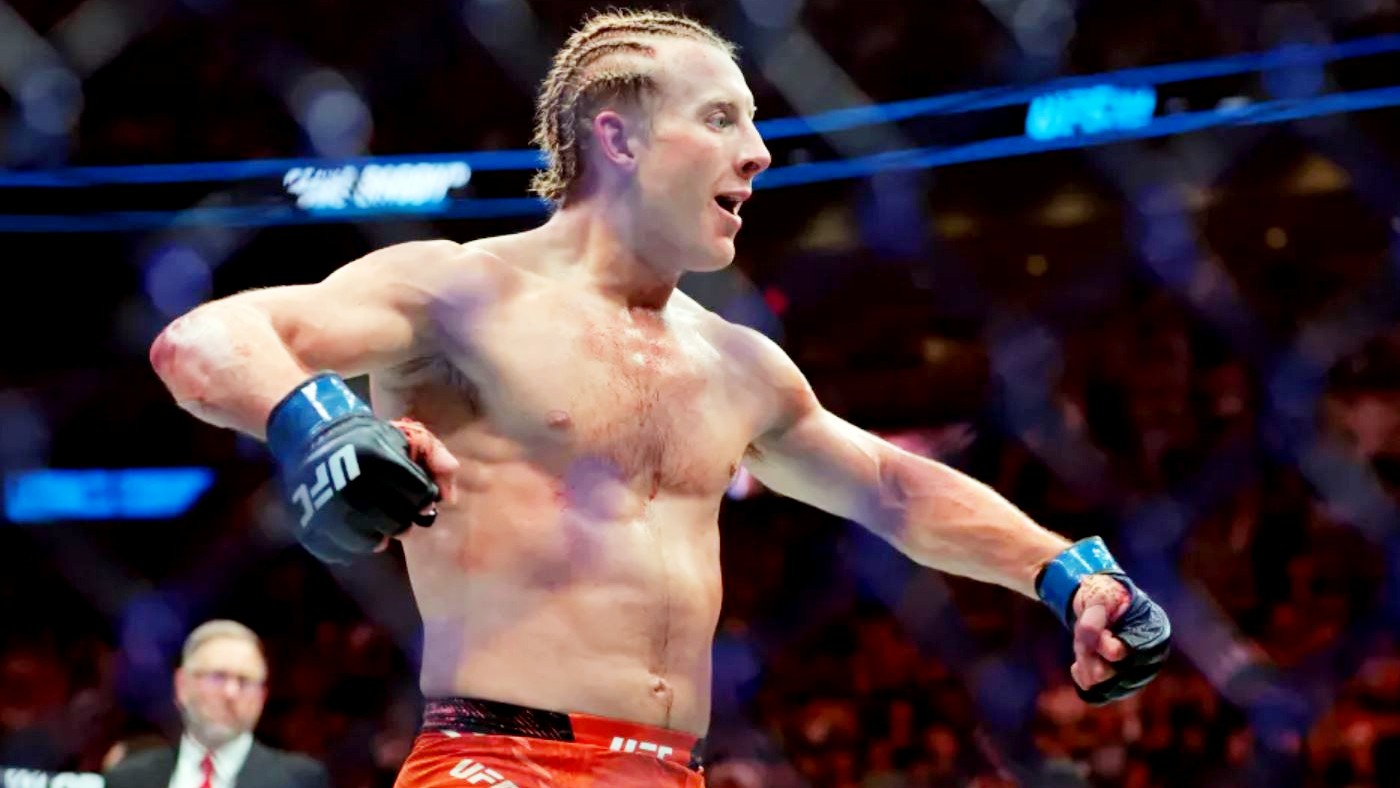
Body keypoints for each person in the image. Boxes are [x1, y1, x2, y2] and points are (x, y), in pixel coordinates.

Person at [149, 9, 1171, 787]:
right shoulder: (464, 291)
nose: (757, 151)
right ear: (620, 140)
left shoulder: (737, 362)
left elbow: (893, 488)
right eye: (721, 118)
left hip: (673, 769)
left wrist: (1063, 572)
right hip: (497, 762)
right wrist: (317, 420)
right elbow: (204, 339)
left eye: (754, 122)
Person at [103, 621, 329, 788]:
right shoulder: (127, 779)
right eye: (217, 677)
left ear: (262, 696)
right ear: (182, 685)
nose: (231, 693)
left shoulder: (300, 781)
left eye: (245, 681)